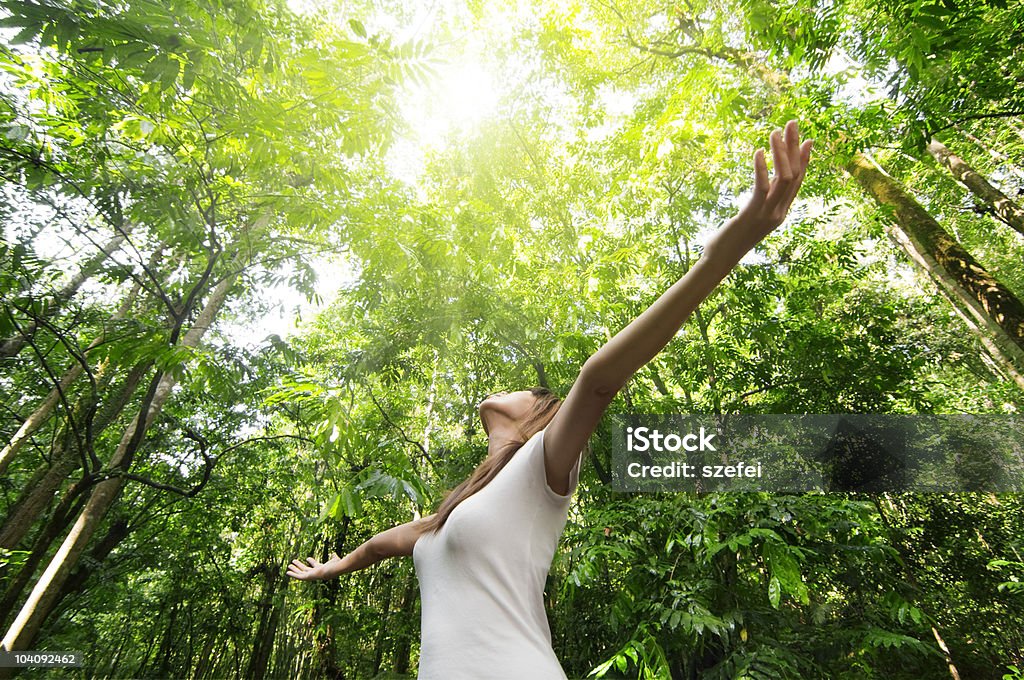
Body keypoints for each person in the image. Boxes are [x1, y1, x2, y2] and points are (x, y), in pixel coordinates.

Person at [287, 120, 814, 678]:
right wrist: (333, 567)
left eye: (528, 390)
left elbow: (598, 379)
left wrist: (723, 252)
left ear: (537, 416)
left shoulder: (543, 466)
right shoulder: (447, 518)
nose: (506, 389)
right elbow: (379, 544)